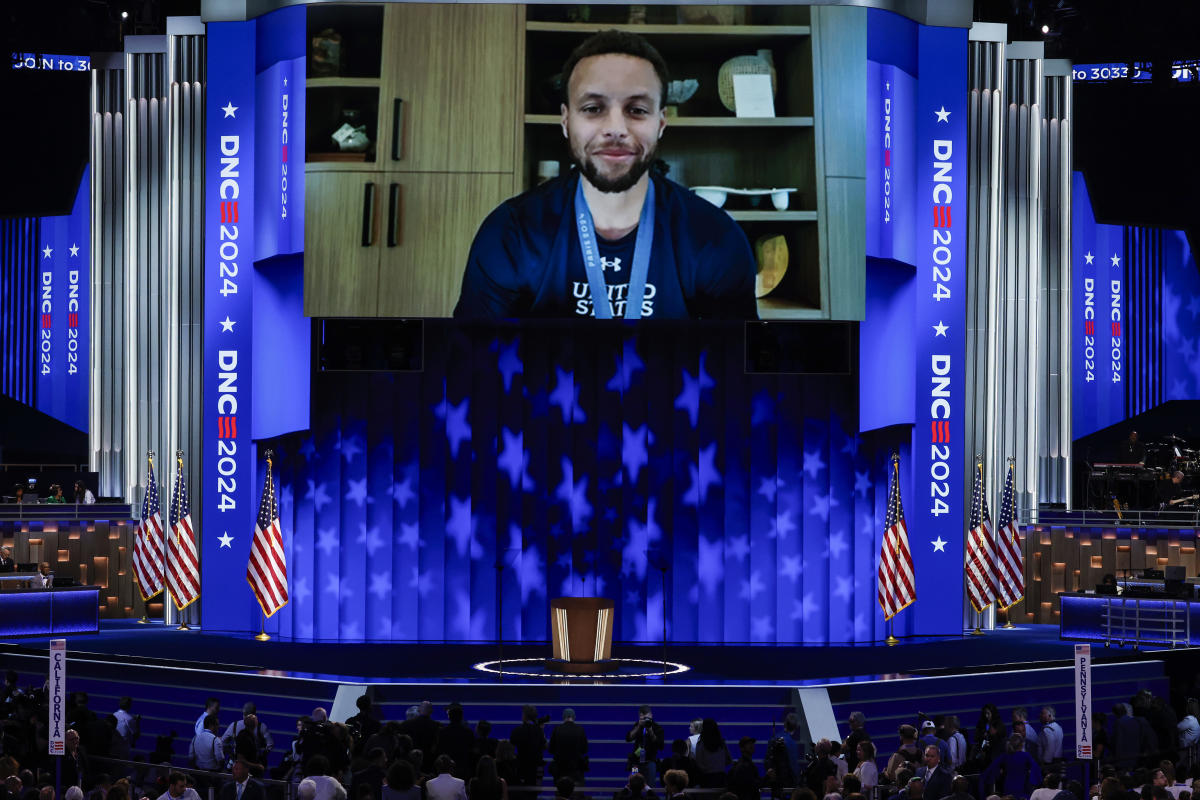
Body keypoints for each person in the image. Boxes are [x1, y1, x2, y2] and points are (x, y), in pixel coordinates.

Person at [454, 29, 757, 321]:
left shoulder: (715, 238)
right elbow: (472, 363)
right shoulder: (511, 233)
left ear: (661, 123)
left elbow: (737, 368)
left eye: (637, 110)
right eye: (593, 108)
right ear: (565, 120)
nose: (616, 128)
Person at [980, 734, 1041, 800]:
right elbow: (1036, 769)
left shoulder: (1005, 756)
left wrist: (995, 775)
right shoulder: (1026, 756)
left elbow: (991, 768)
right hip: (1022, 787)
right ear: (1022, 744)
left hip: (1008, 787)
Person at [548, 708, 589, 785]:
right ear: (574, 717)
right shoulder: (580, 729)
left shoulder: (557, 729)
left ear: (563, 717)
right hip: (576, 769)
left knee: (560, 791)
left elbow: (551, 750)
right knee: (576, 793)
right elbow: (585, 750)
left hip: (560, 770)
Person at [509, 705, 546, 787]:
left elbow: (511, 748)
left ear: (525, 716)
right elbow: (544, 746)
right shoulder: (539, 730)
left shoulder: (517, 730)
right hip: (535, 768)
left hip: (521, 767)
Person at [627, 706, 665, 784]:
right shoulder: (637, 725)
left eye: (646, 718)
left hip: (650, 762)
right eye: (642, 718)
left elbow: (660, 745)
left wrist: (650, 731)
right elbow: (628, 738)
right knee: (633, 782)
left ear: (651, 715)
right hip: (636, 762)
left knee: (650, 785)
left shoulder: (657, 728)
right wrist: (638, 726)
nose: (645, 721)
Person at [437, 704, 475, 780]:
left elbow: (439, 750)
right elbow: (472, 751)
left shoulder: (442, 732)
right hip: (464, 767)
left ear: (449, 717)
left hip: (446, 767)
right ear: (461, 717)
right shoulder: (468, 732)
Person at [694, 719, 730, 789]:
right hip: (721, 778)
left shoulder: (700, 744)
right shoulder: (722, 743)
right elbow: (728, 760)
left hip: (707, 779)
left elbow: (699, 763)